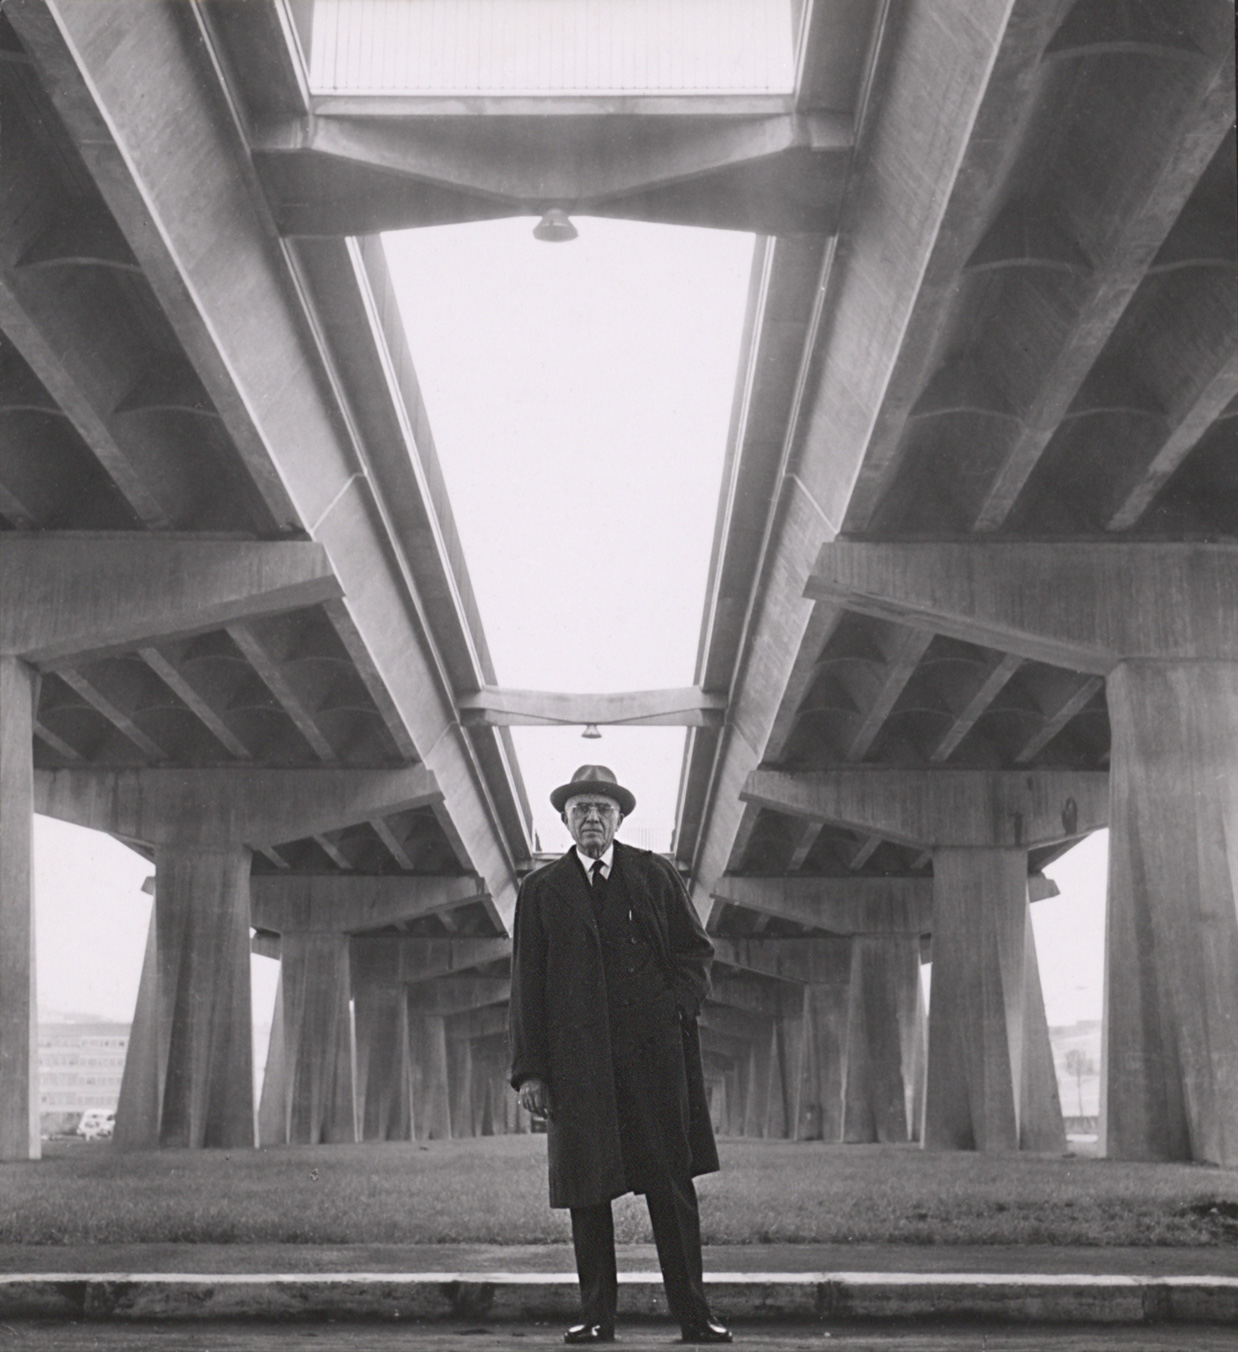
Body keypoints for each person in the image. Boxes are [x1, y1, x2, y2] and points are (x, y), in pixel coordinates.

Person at [508, 764, 732, 1345]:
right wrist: (531, 1070)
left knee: (671, 1184)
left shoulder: (654, 874)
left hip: (654, 1060)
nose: (591, 818)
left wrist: (677, 1009)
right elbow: (527, 984)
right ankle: (595, 1316)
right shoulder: (541, 891)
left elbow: (695, 952)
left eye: (602, 810)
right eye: (580, 808)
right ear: (564, 818)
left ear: (620, 818)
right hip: (578, 1065)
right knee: (588, 1188)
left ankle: (694, 1313)